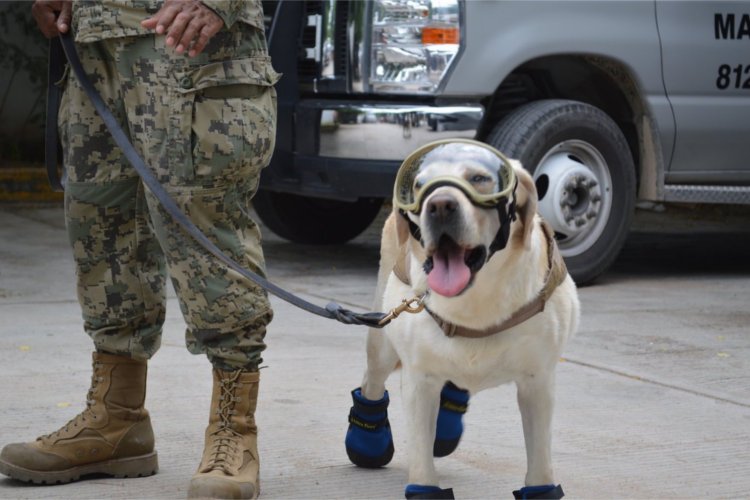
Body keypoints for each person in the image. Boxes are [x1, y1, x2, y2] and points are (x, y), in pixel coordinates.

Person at [0, 1, 278, 498]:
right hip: (94, 39)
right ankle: (117, 420)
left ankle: (235, 430)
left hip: (190, 47)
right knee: (100, 228)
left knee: (207, 231)